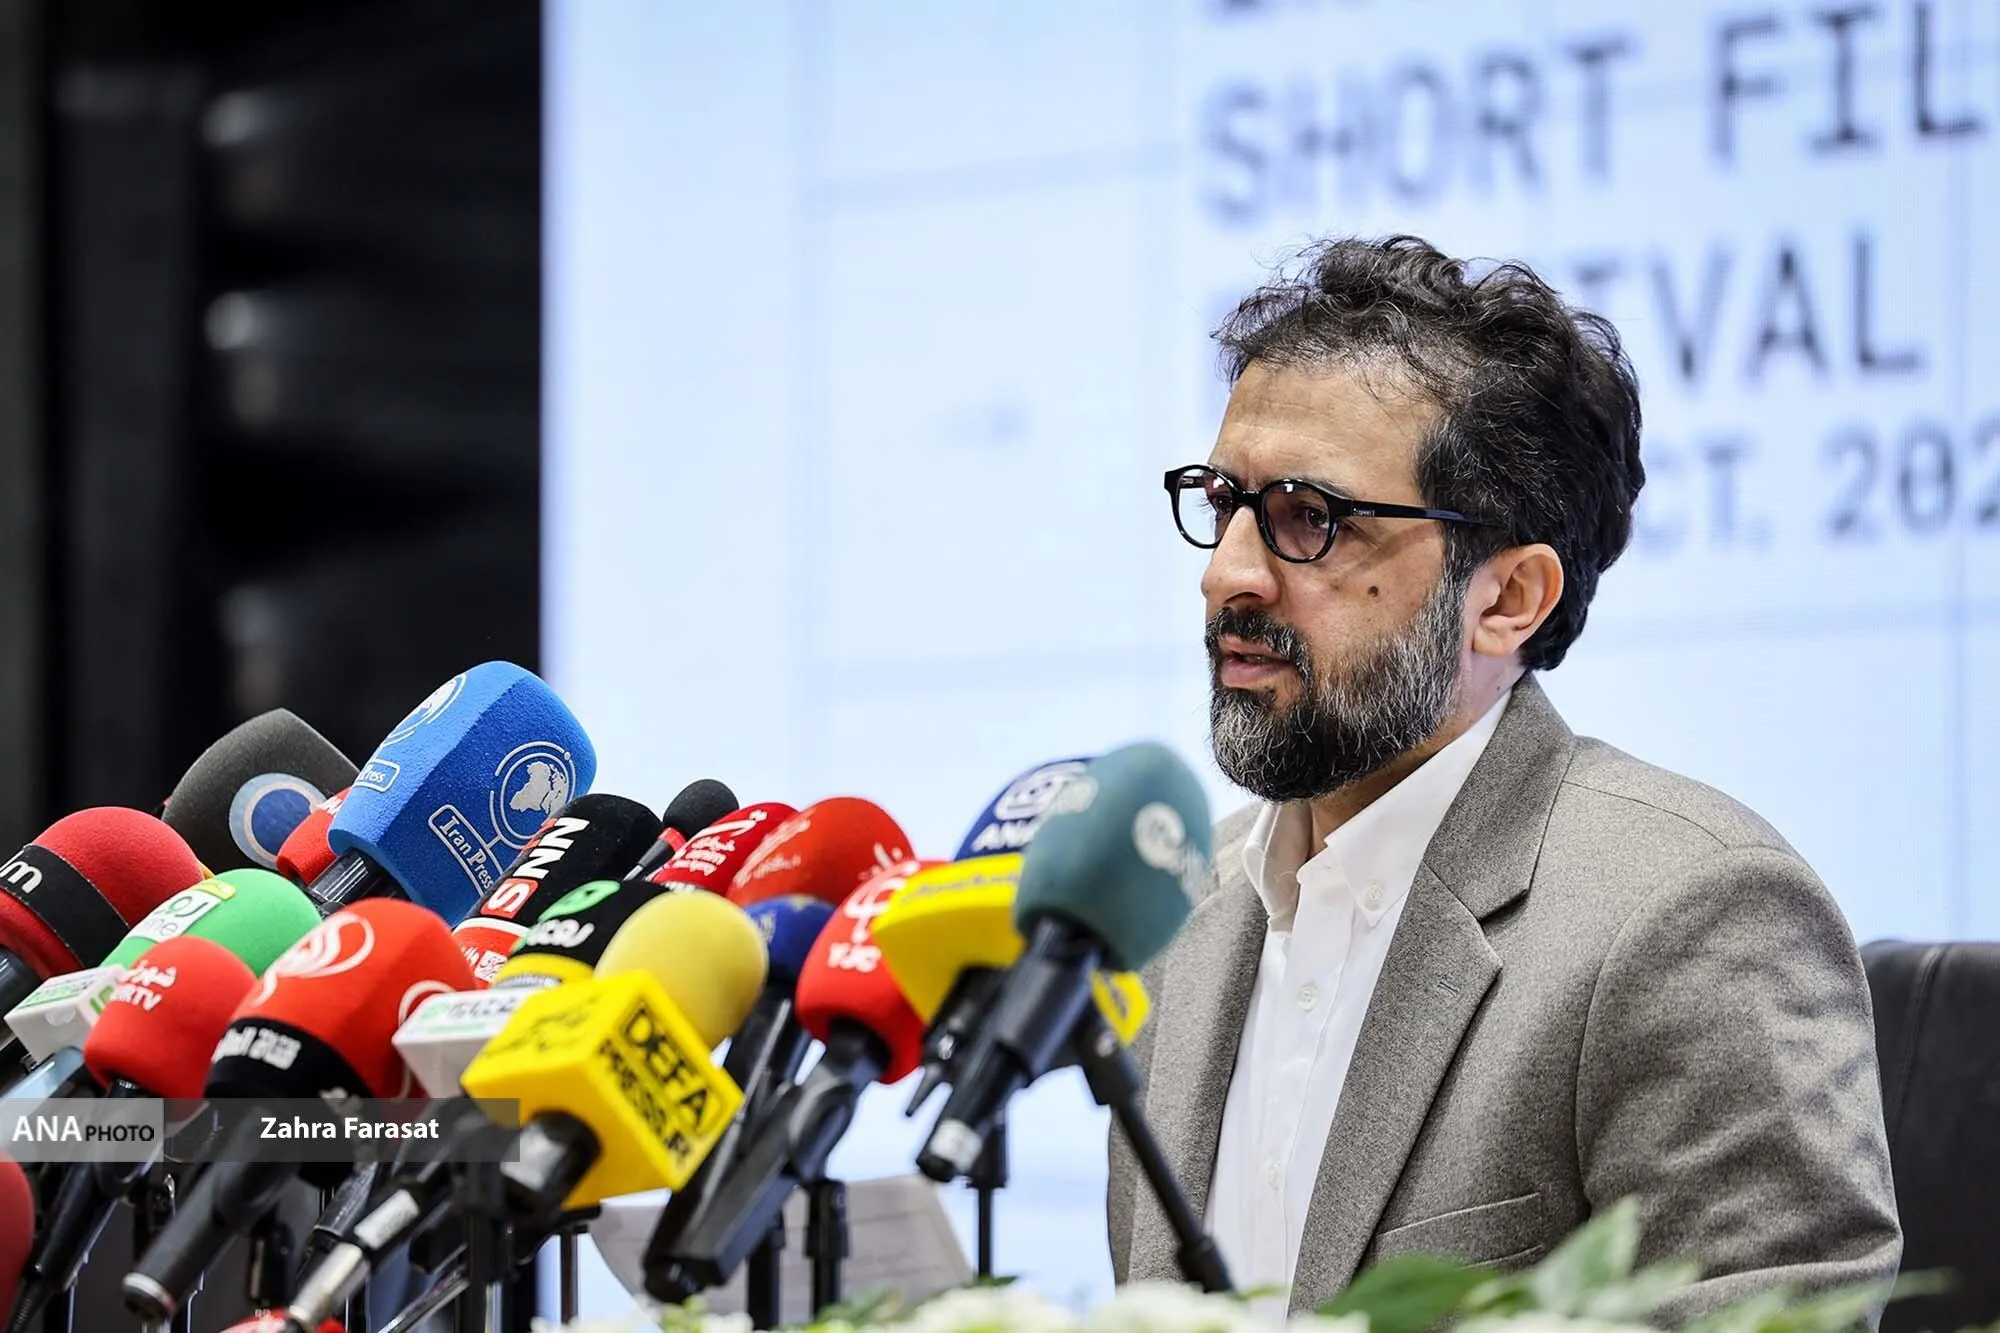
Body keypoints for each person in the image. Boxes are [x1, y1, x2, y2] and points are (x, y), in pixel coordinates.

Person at [1108, 236, 1900, 1321]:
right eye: (1222, 502)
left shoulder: (1688, 915)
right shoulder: (1178, 908)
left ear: (1508, 599)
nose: (1225, 574)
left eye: (1308, 517)